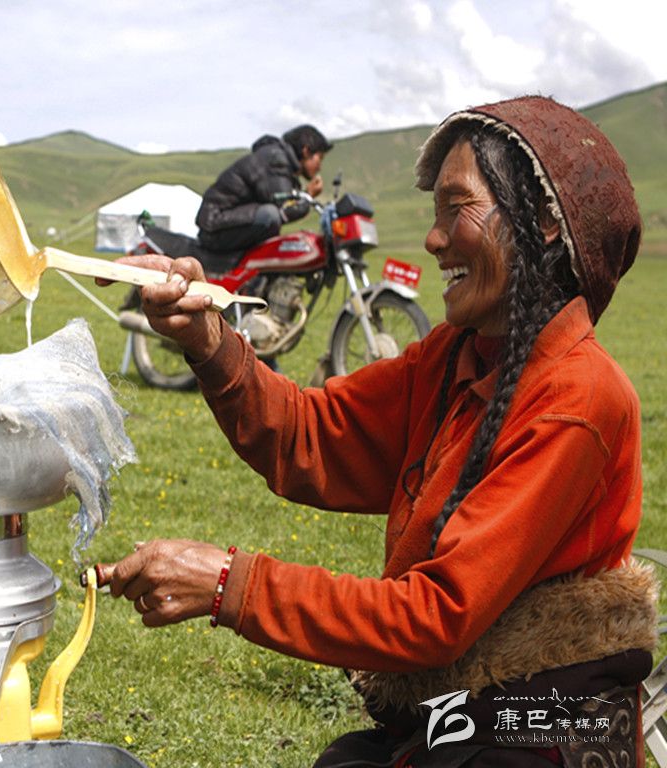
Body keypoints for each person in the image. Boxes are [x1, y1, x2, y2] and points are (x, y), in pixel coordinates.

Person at [101, 96, 656, 767]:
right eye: (434, 213)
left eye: (457, 207)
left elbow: (436, 615)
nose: (433, 239)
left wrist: (228, 583)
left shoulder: (578, 398)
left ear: (541, 222)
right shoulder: (457, 356)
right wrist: (207, 337)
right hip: (468, 711)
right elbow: (310, 436)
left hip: (544, 727)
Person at [196, 124, 332, 253]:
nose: (319, 166)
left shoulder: (277, 158)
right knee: (270, 215)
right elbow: (284, 209)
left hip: (220, 224)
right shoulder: (276, 160)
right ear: (306, 151)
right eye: (319, 158)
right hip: (214, 226)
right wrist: (308, 195)